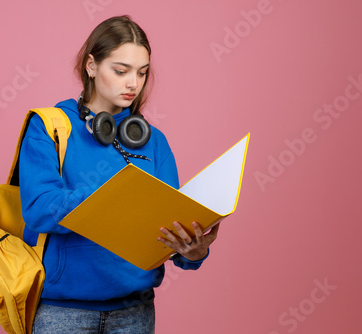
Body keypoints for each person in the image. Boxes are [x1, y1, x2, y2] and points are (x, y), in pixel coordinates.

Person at [19, 15, 220, 334]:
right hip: (63, 313)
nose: (133, 84)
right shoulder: (49, 128)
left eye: (141, 73)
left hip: (135, 313)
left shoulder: (154, 141)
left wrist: (194, 251)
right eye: (121, 70)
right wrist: (113, 197)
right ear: (91, 65)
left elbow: (168, 226)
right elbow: (39, 209)